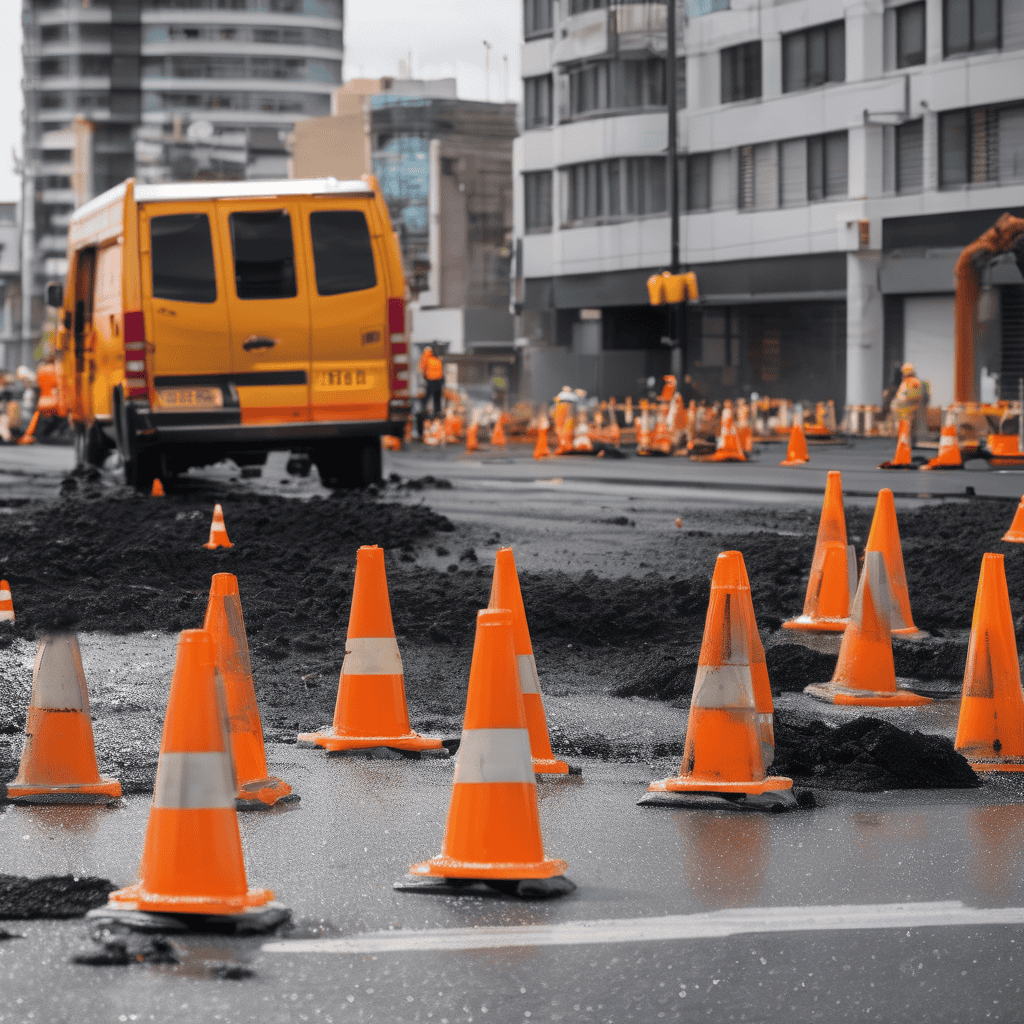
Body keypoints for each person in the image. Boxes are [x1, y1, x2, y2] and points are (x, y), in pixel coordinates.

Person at [892, 362, 923, 447]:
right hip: (903, 409)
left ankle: (908, 444)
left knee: (908, 429)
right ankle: (904, 443)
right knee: (904, 429)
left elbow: (915, 396)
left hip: (908, 409)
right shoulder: (906, 381)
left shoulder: (913, 382)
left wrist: (902, 401)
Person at [419, 346, 444, 420]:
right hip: (438, 380)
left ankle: (423, 409)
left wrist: (424, 377)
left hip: (430, 380)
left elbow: (422, 368)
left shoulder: (426, 358)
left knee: (427, 396)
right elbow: (441, 371)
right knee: (437, 397)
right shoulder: (437, 360)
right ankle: (437, 412)